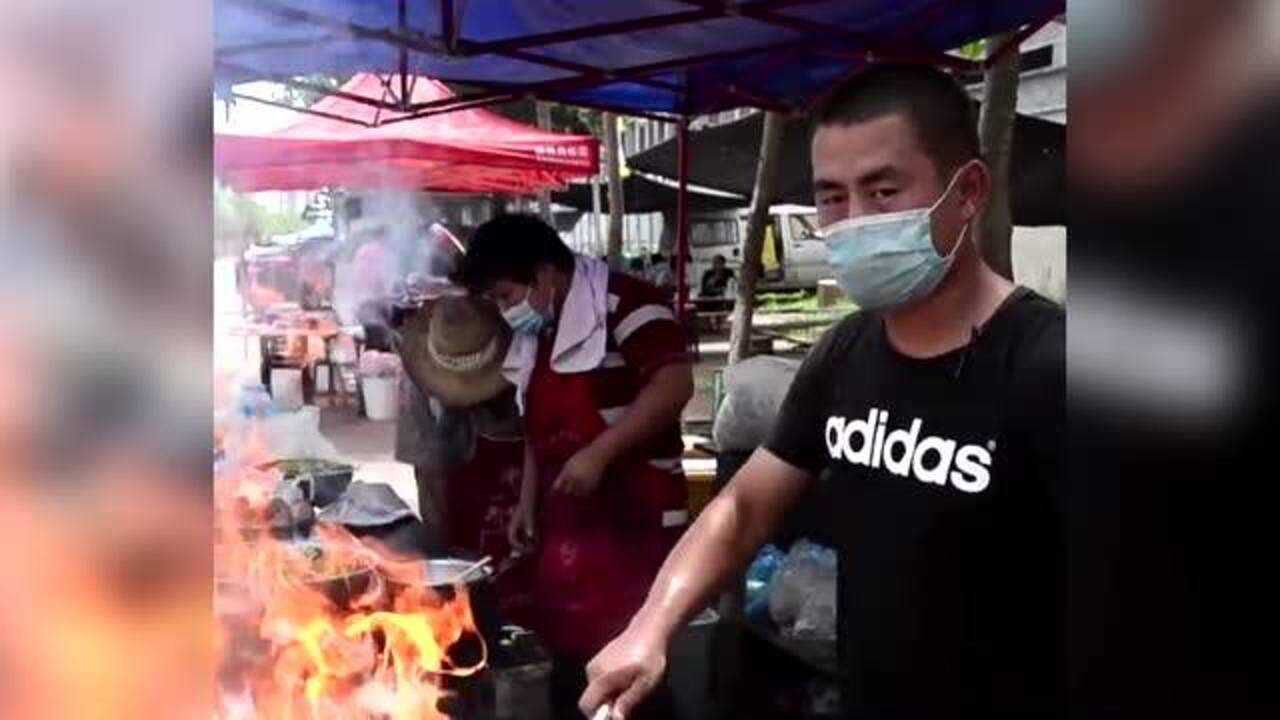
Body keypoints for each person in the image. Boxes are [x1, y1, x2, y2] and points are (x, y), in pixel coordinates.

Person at [580, 64, 1065, 720]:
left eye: (883, 190)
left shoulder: (1047, 363)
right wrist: (651, 625)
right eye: (832, 197)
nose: (854, 221)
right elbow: (745, 506)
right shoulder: (845, 353)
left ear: (969, 190)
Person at [459, 214, 694, 720]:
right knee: (570, 661)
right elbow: (535, 426)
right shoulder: (540, 330)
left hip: (636, 522)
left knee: (634, 668)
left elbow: (675, 386)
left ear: (544, 275)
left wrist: (600, 453)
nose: (505, 311)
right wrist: (526, 501)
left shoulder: (629, 304)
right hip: (571, 525)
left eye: (505, 296)